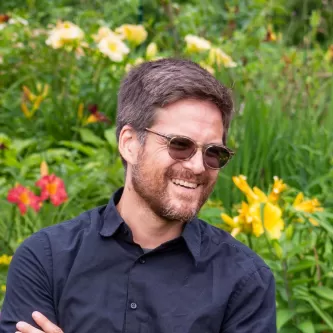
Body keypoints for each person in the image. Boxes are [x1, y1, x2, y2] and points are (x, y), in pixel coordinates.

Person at [0, 58, 276, 333]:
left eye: (213, 152)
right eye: (180, 145)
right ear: (130, 144)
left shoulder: (245, 281)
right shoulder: (46, 260)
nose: (197, 166)